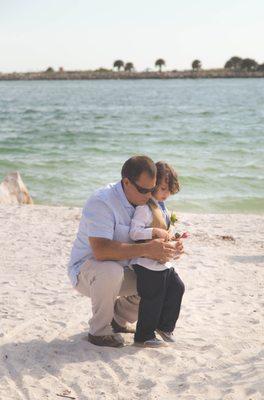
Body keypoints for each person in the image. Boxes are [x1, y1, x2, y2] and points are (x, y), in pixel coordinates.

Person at [68, 155, 184, 347]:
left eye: (152, 189)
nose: (149, 196)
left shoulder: (147, 204)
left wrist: (170, 247)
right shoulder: (102, 201)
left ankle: (117, 319)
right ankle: (99, 331)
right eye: (144, 190)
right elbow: (101, 251)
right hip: (88, 271)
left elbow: (153, 242)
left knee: (160, 278)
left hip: (125, 268)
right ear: (126, 182)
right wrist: (147, 249)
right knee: (110, 270)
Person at [129, 161, 185, 347]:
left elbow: (165, 232)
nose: (166, 194)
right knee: (154, 298)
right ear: (152, 185)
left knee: (177, 287)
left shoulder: (163, 208)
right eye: (162, 188)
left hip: (162, 263)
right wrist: (154, 232)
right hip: (146, 263)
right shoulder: (144, 208)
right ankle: (143, 336)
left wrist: (175, 245)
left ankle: (164, 326)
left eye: (169, 190)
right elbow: (134, 233)